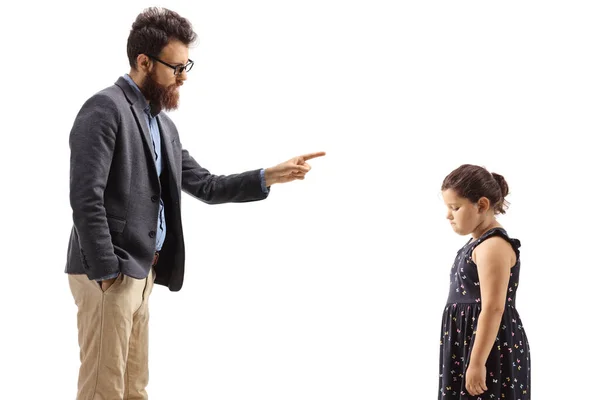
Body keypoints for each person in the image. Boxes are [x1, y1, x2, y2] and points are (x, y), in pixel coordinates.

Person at [65, 7, 325, 399]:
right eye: (176, 67)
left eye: (188, 65)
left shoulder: (162, 125)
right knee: (103, 389)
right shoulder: (104, 109)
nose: (184, 76)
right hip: (109, 273)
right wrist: (107, 272)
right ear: (143, 62)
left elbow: (206, 185)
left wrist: (268, 175)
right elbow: (86, 197)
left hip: (141, 274)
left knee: (134, 387)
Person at [438, 164, 531, 399]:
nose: (448, 215)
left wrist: (477, 361)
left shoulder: (493, 246)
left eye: (455, 207)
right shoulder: (476, 244)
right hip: (469, 343)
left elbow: (493, 307)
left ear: (481, 205)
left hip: (489, 348)